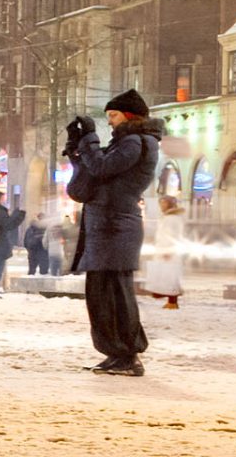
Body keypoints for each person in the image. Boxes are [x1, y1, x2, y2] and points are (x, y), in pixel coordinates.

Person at [69, 90, 160, 377]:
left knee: (115, 294)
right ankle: (115, 352)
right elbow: (92, 175)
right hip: (107, 226)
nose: (109, 122)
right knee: (101, 294)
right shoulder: (124, 143)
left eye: (113, 115)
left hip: (115, 227)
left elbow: (101, 167)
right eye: (107, 116)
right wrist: (77, 147)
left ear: (130, 116)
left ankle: (127, 355)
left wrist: (89, 140)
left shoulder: (135, 142)